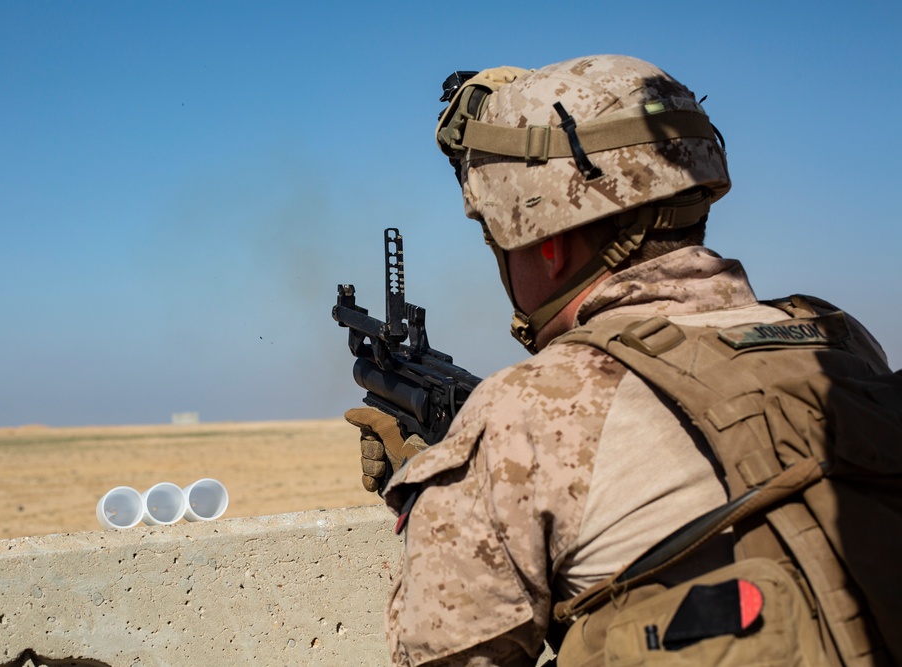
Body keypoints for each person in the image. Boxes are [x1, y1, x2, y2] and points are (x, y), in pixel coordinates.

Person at [345, 55, 892, 666]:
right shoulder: (838, 338)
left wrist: (433, 500)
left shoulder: (522, 412)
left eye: (497, 237)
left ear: (549, 248)